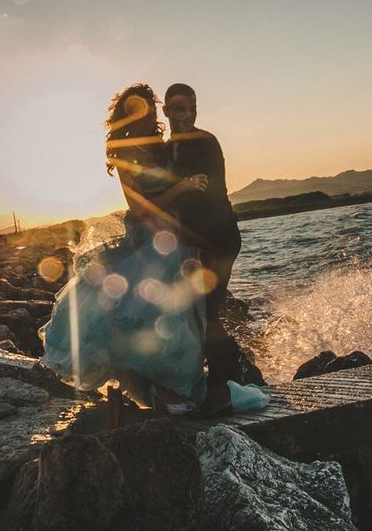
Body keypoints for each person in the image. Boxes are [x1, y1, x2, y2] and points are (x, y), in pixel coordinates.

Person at [38, 83, 268, 415]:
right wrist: (182, 187)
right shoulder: (126, 151)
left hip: (178, 241)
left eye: (147, 108)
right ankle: (190, 391)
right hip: (152, 241)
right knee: (153, 316)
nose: (143, 116)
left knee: (182, 317)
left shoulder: (167, 147)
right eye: (135, 110)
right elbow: (142, 208)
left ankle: (187, 390)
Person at [161, 83, 262, 412]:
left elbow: (210, 195)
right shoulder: (167, 149)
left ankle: (221, 390)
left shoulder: (204, 142)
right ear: (166, 111)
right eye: (179, 108)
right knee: (200, 312)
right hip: (195, 242)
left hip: (218, 239)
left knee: (208, 312)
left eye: (192, 107)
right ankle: (240, 377)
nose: (187, 114)